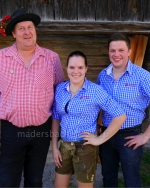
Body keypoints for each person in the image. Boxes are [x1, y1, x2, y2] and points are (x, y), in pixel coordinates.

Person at [0, 8, 65, 187]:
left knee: (34, 181)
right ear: (13, 33)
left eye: (30, 27)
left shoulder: (52, 59)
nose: (27, 32)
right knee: (8, 182)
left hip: (42, 130)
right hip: (12, 131)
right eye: (21, 28)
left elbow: (61, 95)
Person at [97, 32, 150, 187]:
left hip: (130, 136)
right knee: (108, 178)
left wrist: (146, 136)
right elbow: (98, 104)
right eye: (113, 50)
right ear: (108, 52)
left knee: (131, 180)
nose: (116, 54)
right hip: (106, 135)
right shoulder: (103, 76)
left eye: (121, 50)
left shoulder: (142, 76)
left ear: (129, 52)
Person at [51, 51, 127, 188]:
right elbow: (56, 118)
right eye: (72, 67)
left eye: (80, 67)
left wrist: (100, 139)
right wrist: (55, 148)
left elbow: (120, 115)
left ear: (86, 69)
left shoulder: (95, 91)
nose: (76, 71)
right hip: (65, 146)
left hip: (85, 148)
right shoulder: (60, 89)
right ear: (66, 68)